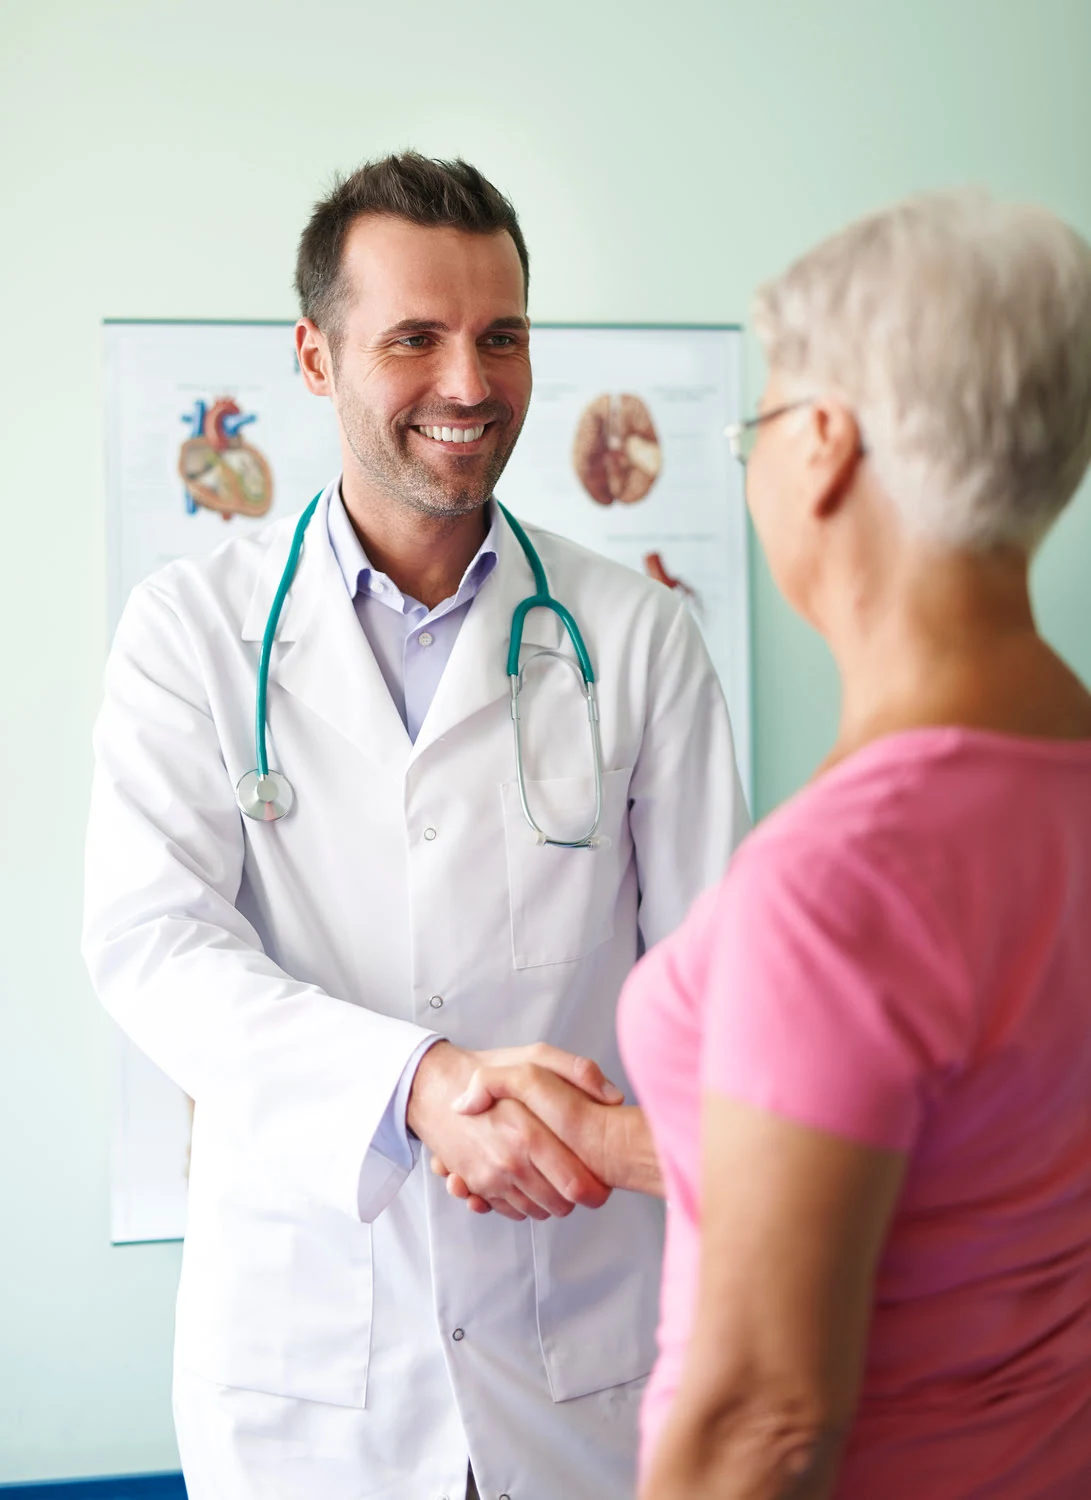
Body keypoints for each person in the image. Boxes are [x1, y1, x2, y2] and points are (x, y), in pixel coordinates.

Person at [81, 152, 749, 1500]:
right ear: (315, 360)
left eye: (501, 336)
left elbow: (717, 998)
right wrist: (419, 1086)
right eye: (414, 339)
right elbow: (155, 949)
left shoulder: (636, 636)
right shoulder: (189, 636)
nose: (469, 381)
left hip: (579, 1356)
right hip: (311, 1371)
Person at [605, 190, 1091, 1498]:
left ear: (821, 444)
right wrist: (612, 1139)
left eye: (756, 425)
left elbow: (763, 1423)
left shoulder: (840, 879)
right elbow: (968, 1164)